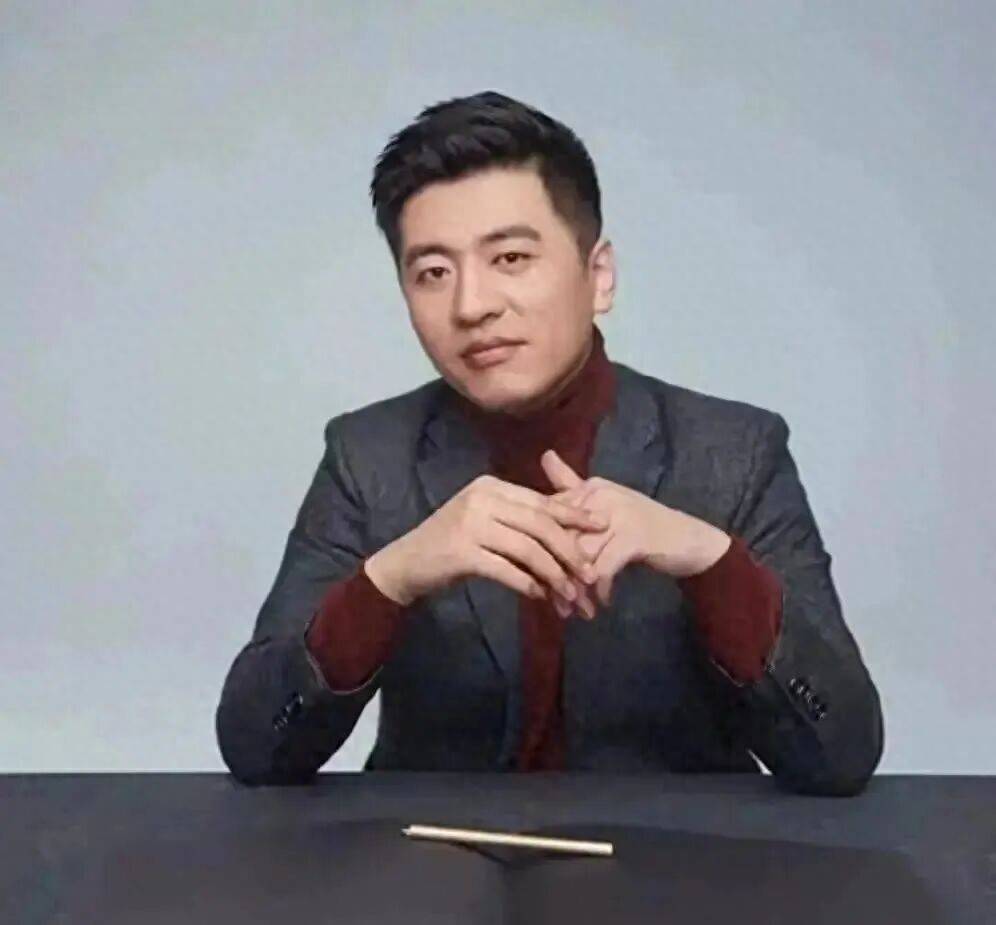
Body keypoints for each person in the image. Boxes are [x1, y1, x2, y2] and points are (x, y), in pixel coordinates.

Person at [215, 90, 883, 795]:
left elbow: (841, 753)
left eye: (510, 258)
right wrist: (391, 578)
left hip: (671, 855)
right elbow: (257, 747)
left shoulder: (734, 453)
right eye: (433, 272)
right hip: (434, 855)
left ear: (599, 277)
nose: (472, 306)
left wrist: (709, 560)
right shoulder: (368, 457)